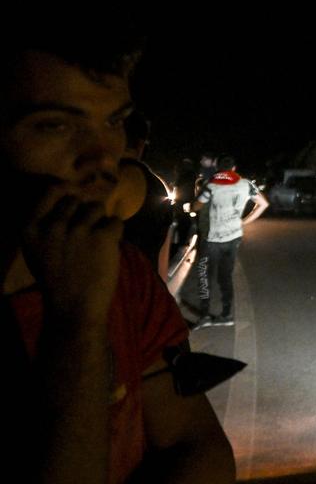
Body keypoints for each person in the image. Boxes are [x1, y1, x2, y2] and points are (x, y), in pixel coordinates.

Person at [0, 30, 235, 482]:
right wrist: (76, 323)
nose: (102, 161)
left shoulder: (121, 272)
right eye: (54, 125)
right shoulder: (91, 284)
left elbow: (202, 448)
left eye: (113, 123)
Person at [191, 155, 268, 330]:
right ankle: (227, 314)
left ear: (218, 168)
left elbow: (197, 206)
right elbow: (263, 204)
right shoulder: (246, 184)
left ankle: (204, 316)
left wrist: (194, 200)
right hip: (233, 238)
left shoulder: (211, 185)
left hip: (211, 239)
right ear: (234, 168)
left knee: (204, 275)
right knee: (225, 276)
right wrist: (244, 221)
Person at [114, 110, 175, 279]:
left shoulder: (116, 179)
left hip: (116, 294)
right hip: (146, 292)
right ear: (141, 145)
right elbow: (163, 254)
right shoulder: (160, 186)